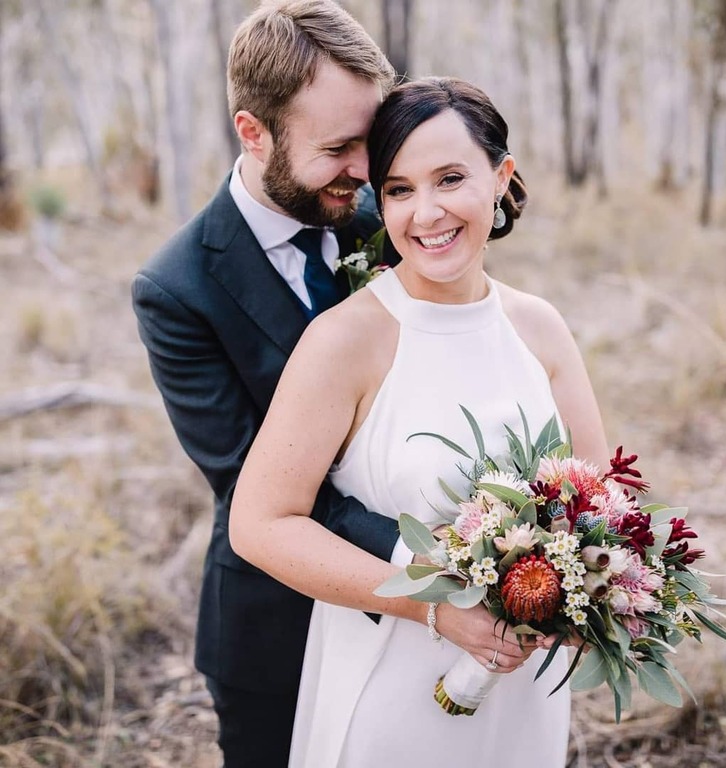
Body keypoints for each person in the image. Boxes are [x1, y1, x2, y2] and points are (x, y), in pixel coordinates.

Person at [132, 3, 514, 766]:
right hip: (280, 622)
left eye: (368, 144)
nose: (366, 172)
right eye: (338, 148)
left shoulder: (388, 211)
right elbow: (255, 484)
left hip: (431, 635)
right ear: (254, 133)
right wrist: (437, 562)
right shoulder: (177, 289)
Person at [230, 76, 611, 767]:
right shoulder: (346, 340)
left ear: (501, 178)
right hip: (389, 686)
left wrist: (589, 593)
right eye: (399, 189)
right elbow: (259, 524)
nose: (426, 212)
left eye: (450, 178)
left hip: (521, 693)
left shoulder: (539, 327)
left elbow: (604, 499)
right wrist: (433, 606)